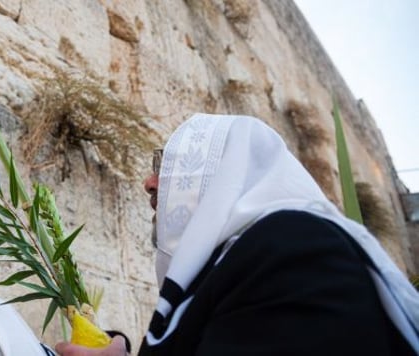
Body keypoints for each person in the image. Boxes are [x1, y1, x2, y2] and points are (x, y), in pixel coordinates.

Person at [54, 113, 419, 355]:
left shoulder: (296, 250)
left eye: (166, 166)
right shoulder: (259, 258)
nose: (148, 183)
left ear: (221, 175)